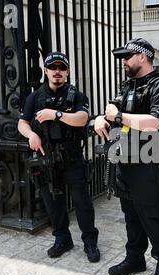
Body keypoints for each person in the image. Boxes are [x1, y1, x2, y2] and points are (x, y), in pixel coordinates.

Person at [94, 38, 159, 275]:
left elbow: (154, 123)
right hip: (124, 157)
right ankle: (135, 258)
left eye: (127, 56)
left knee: (152, 214)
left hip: (147, 159)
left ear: (143, 56)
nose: (123, 61)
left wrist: (117, 117)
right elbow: (110, 110)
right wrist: (99, 118)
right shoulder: (128, 85)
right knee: (130, 213)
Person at [18, 51, 100, 262]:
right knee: (53, 202)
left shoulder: (76, 95)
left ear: (67, 72)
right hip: (46, 157)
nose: (57, 71)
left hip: (71, 157)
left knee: (82, 201)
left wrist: (56, 114)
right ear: (45, 71)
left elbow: (83, 119)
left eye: (61, 68)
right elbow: (23, 122)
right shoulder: (35, 97)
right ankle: (62, 238)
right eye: (52, 68)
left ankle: (90, 241)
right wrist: (31, 135)